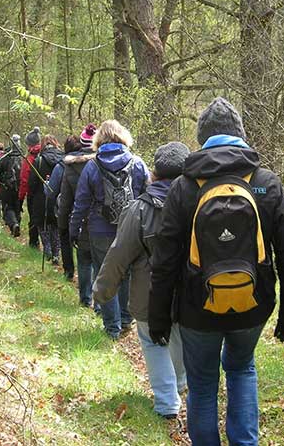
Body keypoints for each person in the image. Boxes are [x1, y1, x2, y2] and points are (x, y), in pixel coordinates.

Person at [148, 97, 284, 446]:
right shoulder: (266, 182)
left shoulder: (184, 187)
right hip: (254, 303)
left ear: (202, 139)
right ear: (241, 135)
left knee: (202, 383)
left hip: (196, 307)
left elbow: (164, 261)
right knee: (242, 368)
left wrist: (158, 318)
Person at [94, 141, 190, 419]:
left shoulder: (139, 209)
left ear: (154, 174)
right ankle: (179, 383)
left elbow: (118, 255)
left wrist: (102, 291)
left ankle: (167, 402)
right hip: (189, 293)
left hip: (148, 294)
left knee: (152, 341)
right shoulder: (200, 206)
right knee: (179, 335)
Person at [70, 120, 149, 340]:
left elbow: (81, 202)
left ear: (99, 140)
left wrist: (74, 229)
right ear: (123, 136)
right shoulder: (137, 163)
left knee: (104, 274)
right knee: (127, 273)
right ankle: (125, 319)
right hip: (131, 229)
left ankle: (112, 327)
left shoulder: (92, 166)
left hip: (99, 230)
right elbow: (148, 195)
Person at [58, 125, 97, 304]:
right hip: (103, 219)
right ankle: (100, 302)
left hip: (81, 219)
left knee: (84, 259)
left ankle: (85, 299)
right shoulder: (104, 163)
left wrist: (64, 225)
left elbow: (65, 200)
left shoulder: (71, 166)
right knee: (100, 260)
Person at [47, 135, 82, 280]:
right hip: (85, 211)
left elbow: (51, 191)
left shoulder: (61, 166)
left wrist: (46, 185)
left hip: (66, 209)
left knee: (65, 237)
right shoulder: (92, 164)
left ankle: (69, 272)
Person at [27, 134, 64, 266]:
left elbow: (31, 183)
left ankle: (47, 249)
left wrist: (31, 196)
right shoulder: (63, 160)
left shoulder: (39, 161)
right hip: (59, 199)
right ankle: (56, 254)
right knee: (56, 226)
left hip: (41, 199)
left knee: (43, 226)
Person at [0, 135, 24, 237]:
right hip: (19, 187)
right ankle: (16, 225)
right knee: (17, 206)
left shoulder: (4, 157)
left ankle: (14, 224)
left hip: (6, 187)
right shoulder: (23, 157)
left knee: (8, 207)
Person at [19, 127, 42, 249]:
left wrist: (21, 197)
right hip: (48, 191)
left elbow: (24, 180)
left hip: (33, 194)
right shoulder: (46, 153)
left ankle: (34, 243)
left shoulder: (29, 158)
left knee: (33, 219)